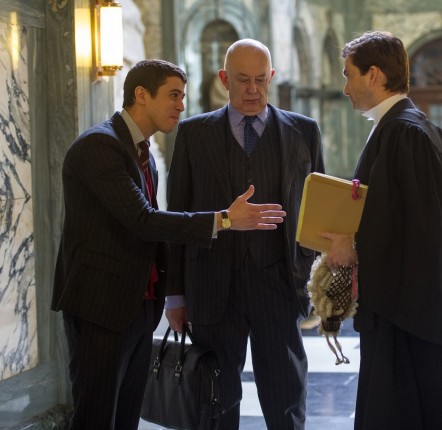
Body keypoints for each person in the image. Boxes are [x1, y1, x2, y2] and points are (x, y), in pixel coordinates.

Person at [51, 59, 287, 430]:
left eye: (182, 96)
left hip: (137, 308)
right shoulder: (99, 145)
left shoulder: (141, 152)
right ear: (141, 95)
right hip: (101, 307)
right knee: (96, 416)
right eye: (173, 95)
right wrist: (225, 219)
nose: (181, 105)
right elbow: (143, 220)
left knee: (126, 417)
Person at [165, 39, 324, 430]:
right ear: (224, 79)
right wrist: (176, 295)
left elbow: (317, 210)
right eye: (242, 80)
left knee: (286, 396)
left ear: (271, 77)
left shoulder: (304, 131)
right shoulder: (193, 134)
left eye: (260, 79)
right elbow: (177, 219)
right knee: (215, 400)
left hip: (280, 284)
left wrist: (315, 278)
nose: (252, 89)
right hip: (212, 286)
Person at [320, 31, 442, 429]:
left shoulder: (403, 133)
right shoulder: (414, 128)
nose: (345, 87)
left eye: (348, 74)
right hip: (415, 309)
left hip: (408, 317)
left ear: (373, 75)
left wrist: (351, 244)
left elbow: (413, 228)